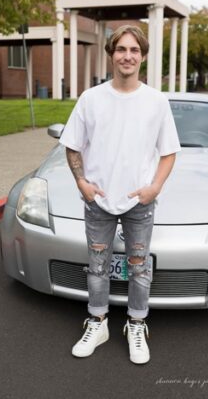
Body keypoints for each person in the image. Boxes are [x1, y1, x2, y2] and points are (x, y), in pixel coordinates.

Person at [58, 25, 180, 364]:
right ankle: (97, 323)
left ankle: (136, 325)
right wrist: (82, 183)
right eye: (121, 49)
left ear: (142, 56)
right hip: (99, 202)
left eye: (134, 50)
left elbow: (169, 152)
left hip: (139, 202)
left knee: (139, 268)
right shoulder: (91, 98)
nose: (128, 56)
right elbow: (72, 146)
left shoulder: (156, 101)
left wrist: (154, 187)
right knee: (97, 267)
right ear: (112, 54)